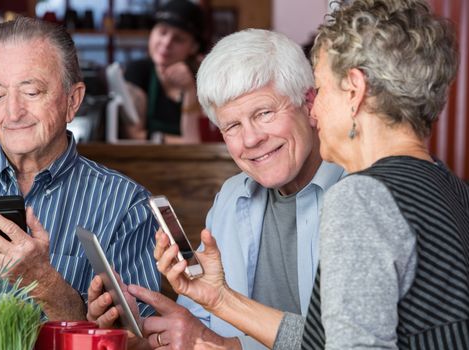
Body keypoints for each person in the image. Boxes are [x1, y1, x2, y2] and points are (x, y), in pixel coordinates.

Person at [158, 1, 469, 349]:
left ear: (354, 90)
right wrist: (220, 300)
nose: (316, 109)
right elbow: (325, 341)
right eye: (232, 125)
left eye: (320, 89)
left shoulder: (361, 197)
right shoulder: (451, 186)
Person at [87, 29, 344, 349]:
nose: (250, 140)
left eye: (264, 113)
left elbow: (347, 342)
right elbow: (203, 325)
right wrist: (143, 336)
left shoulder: (359, 195)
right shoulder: (232, 197)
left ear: (309, 104)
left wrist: (220, 336)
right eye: (232, 126)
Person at [0, 16, 160, 320]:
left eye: (32, 92)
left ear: (73, 100)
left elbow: (140, 340)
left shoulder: (127, 206)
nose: (13, 112)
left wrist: (44, 281)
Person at [122, 0, 205, 143]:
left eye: (178, 39)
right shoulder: (138, 71)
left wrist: (189, 90)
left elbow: (196, 139)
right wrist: (182, 142)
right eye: (162, 32)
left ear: (193, 47)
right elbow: (135, 135)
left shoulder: (204, 79)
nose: (166, 43)